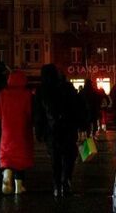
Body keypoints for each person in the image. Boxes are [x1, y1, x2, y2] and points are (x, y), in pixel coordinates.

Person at [34, 64, 85, 197]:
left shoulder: (42, 90)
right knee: (69, 156)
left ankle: (57, 185)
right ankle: (66, 180)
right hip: (68, 128)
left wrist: (39, 131)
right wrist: (81, 125)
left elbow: (39, 114)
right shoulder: (67, 87)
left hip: (51, 131)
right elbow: (77, 107)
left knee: (55, 159)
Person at [0, 69, 34, 195]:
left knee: (8, 155)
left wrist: (4, 119)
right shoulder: (27, 94)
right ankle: (19, 186)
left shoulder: (3, 93)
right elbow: (30, 112)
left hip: (7, 129)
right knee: (20, 157)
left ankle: (7, 174)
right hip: (22, 129)